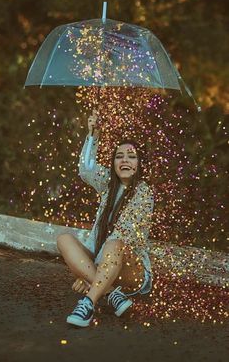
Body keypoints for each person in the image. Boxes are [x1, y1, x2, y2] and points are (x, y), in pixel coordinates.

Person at [57, 109, 154, 327]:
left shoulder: (143, 192)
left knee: (114, 243)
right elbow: (86, 169)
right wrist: (93, 134)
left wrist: (86, 275)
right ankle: (111, 294)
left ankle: (88, 303)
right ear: (113, 164)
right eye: (119, 156)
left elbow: (123, 238)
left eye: (131, 156)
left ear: (139, 163)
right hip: (106, 266)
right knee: (63, 239)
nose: (125, 161)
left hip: (131, 270)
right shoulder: (108, 184)